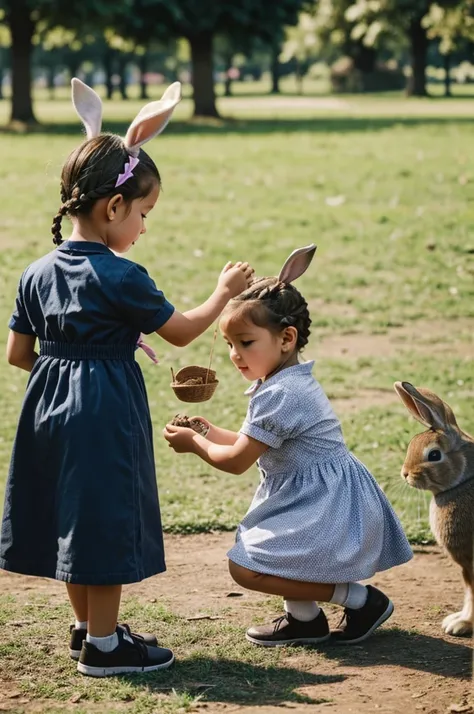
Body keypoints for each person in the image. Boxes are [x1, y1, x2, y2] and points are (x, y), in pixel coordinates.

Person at [0, 78, 254, 677]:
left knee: (71, 517)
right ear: (114, 207)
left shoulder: (36, 271)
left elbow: (17, 354)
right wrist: (223, 292)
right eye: (143, 213)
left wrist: (59, 379)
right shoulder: (122, 275)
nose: (143, 227)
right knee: (105, 522)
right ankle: (107, 650)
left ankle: (90, 630)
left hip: (46, 409)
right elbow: (183, 331)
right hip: (103, 409)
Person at [164, 245, 413, 647]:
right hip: (309, 495)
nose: (234, 356)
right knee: (277, 551)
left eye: (245, 342)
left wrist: (195, 443)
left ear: (286, 338)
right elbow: (254, 443)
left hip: (323, 503)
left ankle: (360, 599)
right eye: (230, 344)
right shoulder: (279, 383)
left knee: (246, 566)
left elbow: (237, 462)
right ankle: (305, 621)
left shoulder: (282, 394)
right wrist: (208, 430)